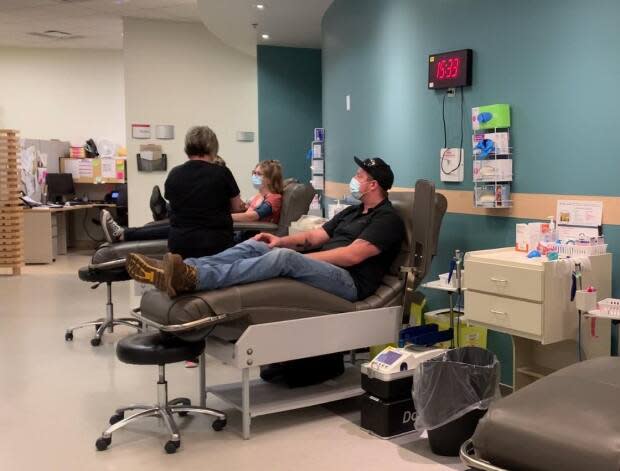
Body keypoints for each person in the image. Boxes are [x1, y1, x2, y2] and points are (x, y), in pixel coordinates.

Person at [125, 157, 405, 303]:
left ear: (373, 185)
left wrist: (298, 259)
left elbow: (351, 256)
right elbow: (313, 237)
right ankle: (184, 269)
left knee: (283, 259)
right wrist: (280, 240)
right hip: (326, 269)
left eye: (359, 176)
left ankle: (197, 279)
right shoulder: (352, 211)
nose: (353, 180)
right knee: (259, 245)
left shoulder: (386, 219)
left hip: (350, 283)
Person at [100, 159, 284, 244]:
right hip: (229, 228)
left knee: (180, 227)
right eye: (253, 172)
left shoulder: (274, 198)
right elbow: (243, 209)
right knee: (178, 223)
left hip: (239, 236)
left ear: (270, 178)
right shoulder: (258, 196)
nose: (254, 176)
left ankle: (124, 233)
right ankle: (125, 232)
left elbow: (252, 217)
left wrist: (218, 215)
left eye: (259, 174)